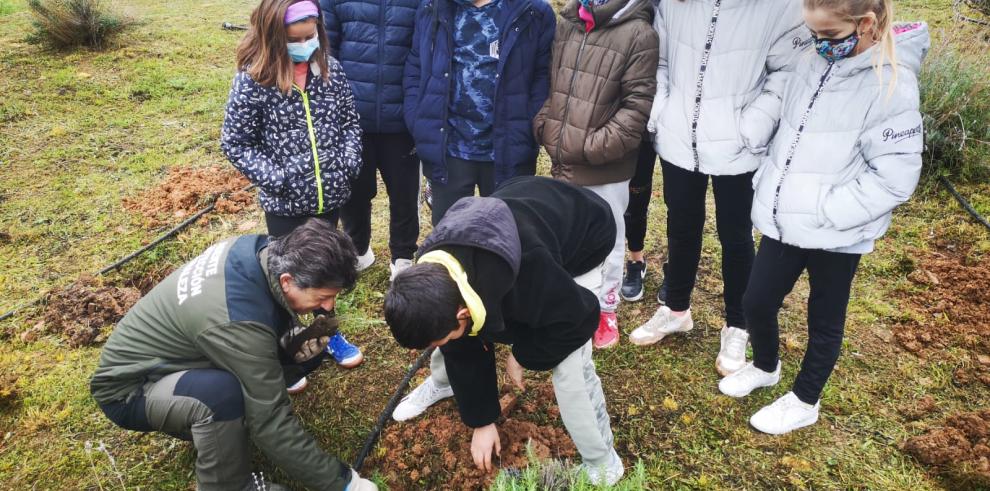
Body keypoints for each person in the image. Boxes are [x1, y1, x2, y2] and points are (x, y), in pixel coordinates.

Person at [719, 1, 928, 435]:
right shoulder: (811, 62)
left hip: (838, 231)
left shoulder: (892, 86)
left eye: (830, 37)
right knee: (756, 301)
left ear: (866, 25)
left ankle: (805, 399)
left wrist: (827, 212)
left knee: (824, 317)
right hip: (785, 218)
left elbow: (894, 178)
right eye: (813, 35)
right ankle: (765, 365)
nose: (819, 46)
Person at [90, 220, 378, 491]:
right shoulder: (239, 322)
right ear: (288, 280)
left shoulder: (259, 251)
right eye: (321, 298)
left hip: (176, 356)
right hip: (131, 389)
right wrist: (344, 483)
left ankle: (219, 431)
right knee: (221, 396)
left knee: (295, 354)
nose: (328, 307)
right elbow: (270, 423)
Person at [385, 176, 626, 485]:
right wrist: (482, 421)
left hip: (586, 232)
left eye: (440, 339)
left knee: (569, 364)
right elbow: (461, 339)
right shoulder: (431, 270)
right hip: (524, 214)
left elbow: (579, 318)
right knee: (449, 334)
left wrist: (524, 354)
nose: (441, 343)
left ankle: (602, 461)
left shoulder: (531, 274)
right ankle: (444, 384)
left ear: (463, 313)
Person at [631, 0, 811, 377]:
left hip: (738, 144)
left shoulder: (778, 7)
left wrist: (755, 123)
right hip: (680, 136)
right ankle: (676, 309)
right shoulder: (676, 3)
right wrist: (662, 108)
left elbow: (786, 71)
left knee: (736, 235)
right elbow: (660, 58)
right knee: (681, 225)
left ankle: (738, 324)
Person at [221, 0, 364, 372]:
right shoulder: (254, 80)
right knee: (289, 276)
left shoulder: (331, 71)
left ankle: (327, 334)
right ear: (273, 37)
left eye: (311, 35)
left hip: (329, 195)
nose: (305, 43)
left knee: (324, 272)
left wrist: (347, 163)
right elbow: (235, 142)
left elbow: (350, 123)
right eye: (295, 38)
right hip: (284, 204)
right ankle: (286, 342)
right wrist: (277, 177)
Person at [533, 0, 659, 349]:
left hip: (605, 162)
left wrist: (591, 147)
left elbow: (637, 105)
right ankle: (574, 298)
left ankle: (606, 308)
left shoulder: (639, 33)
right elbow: (555, 83)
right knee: (568, 233)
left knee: (609, 236)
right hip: (564, 156)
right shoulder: (569, 24)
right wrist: (547, 125)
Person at [403, 0, 556, 226]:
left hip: (508, 150)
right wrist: (418, 118)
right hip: (449, 148)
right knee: (448, 236)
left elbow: (543, 77)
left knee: (508, 235)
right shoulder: (433, 7)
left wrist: (528, 125)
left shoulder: (533, 12)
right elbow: (416, 65)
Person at [321, 0, 422, 280]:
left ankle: (402, 256)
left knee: (404, 192)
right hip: (353, 119)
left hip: (401, 119)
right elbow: (327, 49)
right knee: (354, 191)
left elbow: (423, 50)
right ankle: (358, 249)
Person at [620, 135, 667, 304]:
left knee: (679, 201)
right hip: (639, 126)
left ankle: (676, 266)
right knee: (635, 196)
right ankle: (636, 260)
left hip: (677, 128)